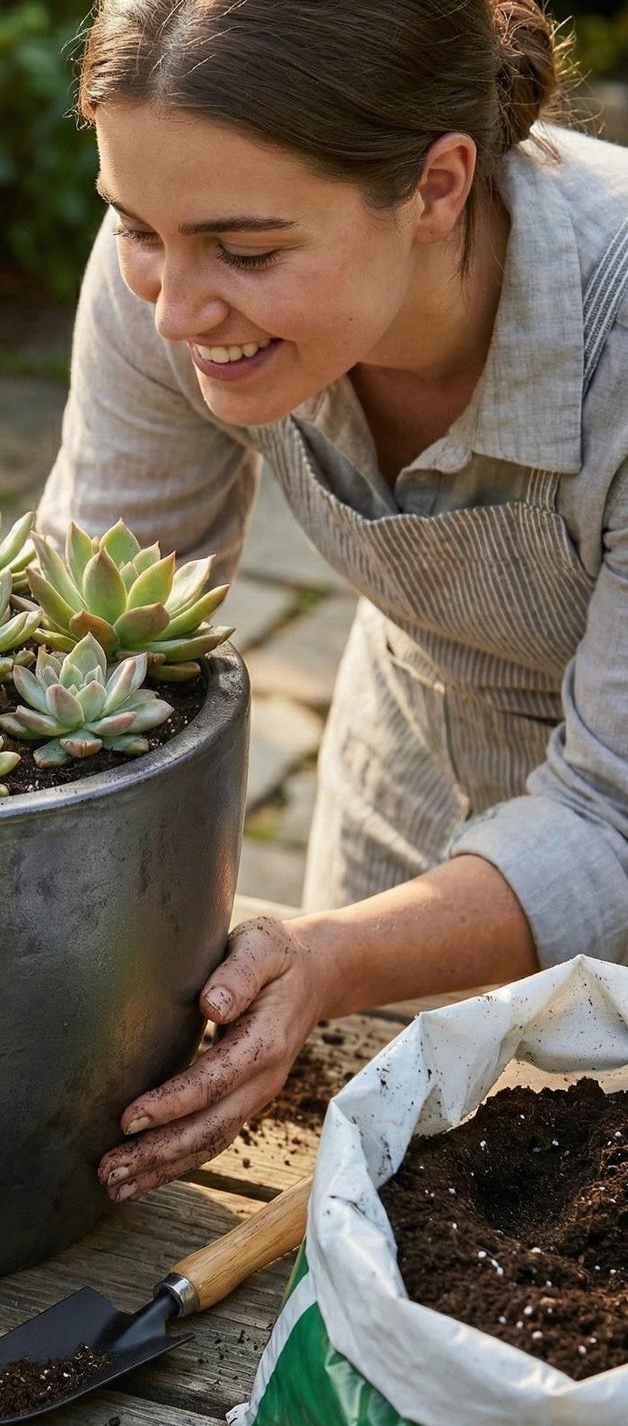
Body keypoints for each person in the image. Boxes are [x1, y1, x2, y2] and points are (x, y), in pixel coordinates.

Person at [35, 0, 628, 1205]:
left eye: (247, 253)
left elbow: (608, 812)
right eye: (136, 228)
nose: (173, 310)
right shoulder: (180, 256)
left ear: (435, 185)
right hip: (409, 757)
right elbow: (90, 634)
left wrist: (332, 957)